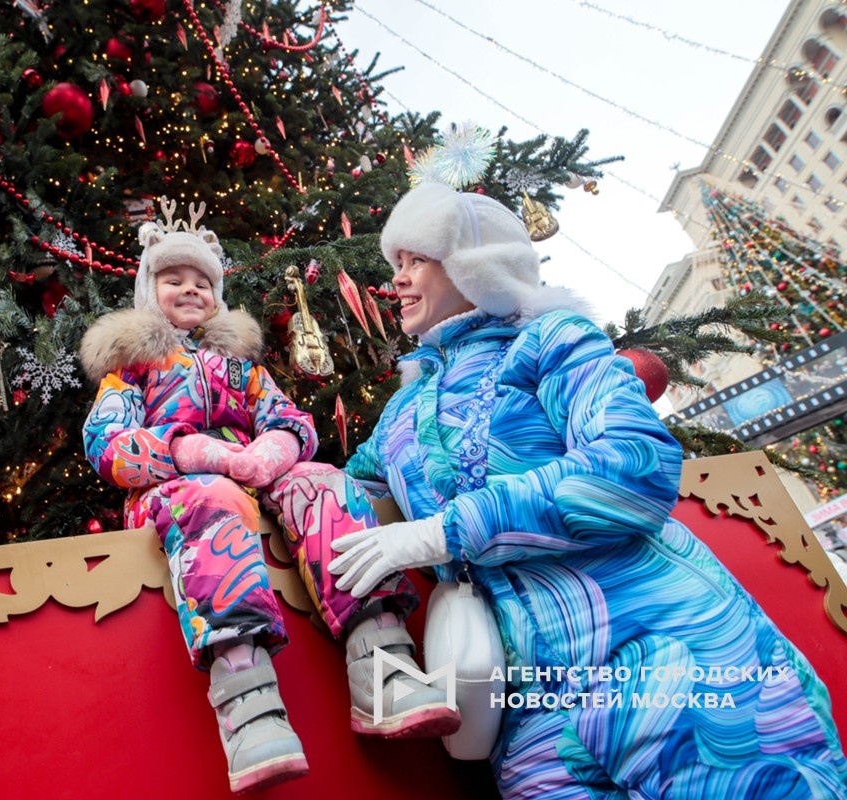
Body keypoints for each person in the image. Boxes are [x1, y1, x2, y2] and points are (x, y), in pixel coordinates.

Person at [327, 178, 847, 799]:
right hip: (527, 717)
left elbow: (634, 466)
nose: (398, 280)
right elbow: (333, 490)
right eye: (396, 264)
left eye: (416, 260)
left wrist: (445, 530)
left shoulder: (553, 341)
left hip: (666, 650)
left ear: (473, 265)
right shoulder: (399, 416)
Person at [79, 198, 459, 794]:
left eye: (202, 281)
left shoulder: (240, 364)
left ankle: (383, 669)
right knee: (214, 499)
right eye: (172, 279)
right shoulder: (133, 365)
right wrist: (188, 453)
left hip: (255, 474)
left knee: (325, 483)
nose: (189, 289)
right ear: (147, 291)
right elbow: (107, 442)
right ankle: (247, 702)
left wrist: (275, 449)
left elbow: (287, 418)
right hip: (177, 487)